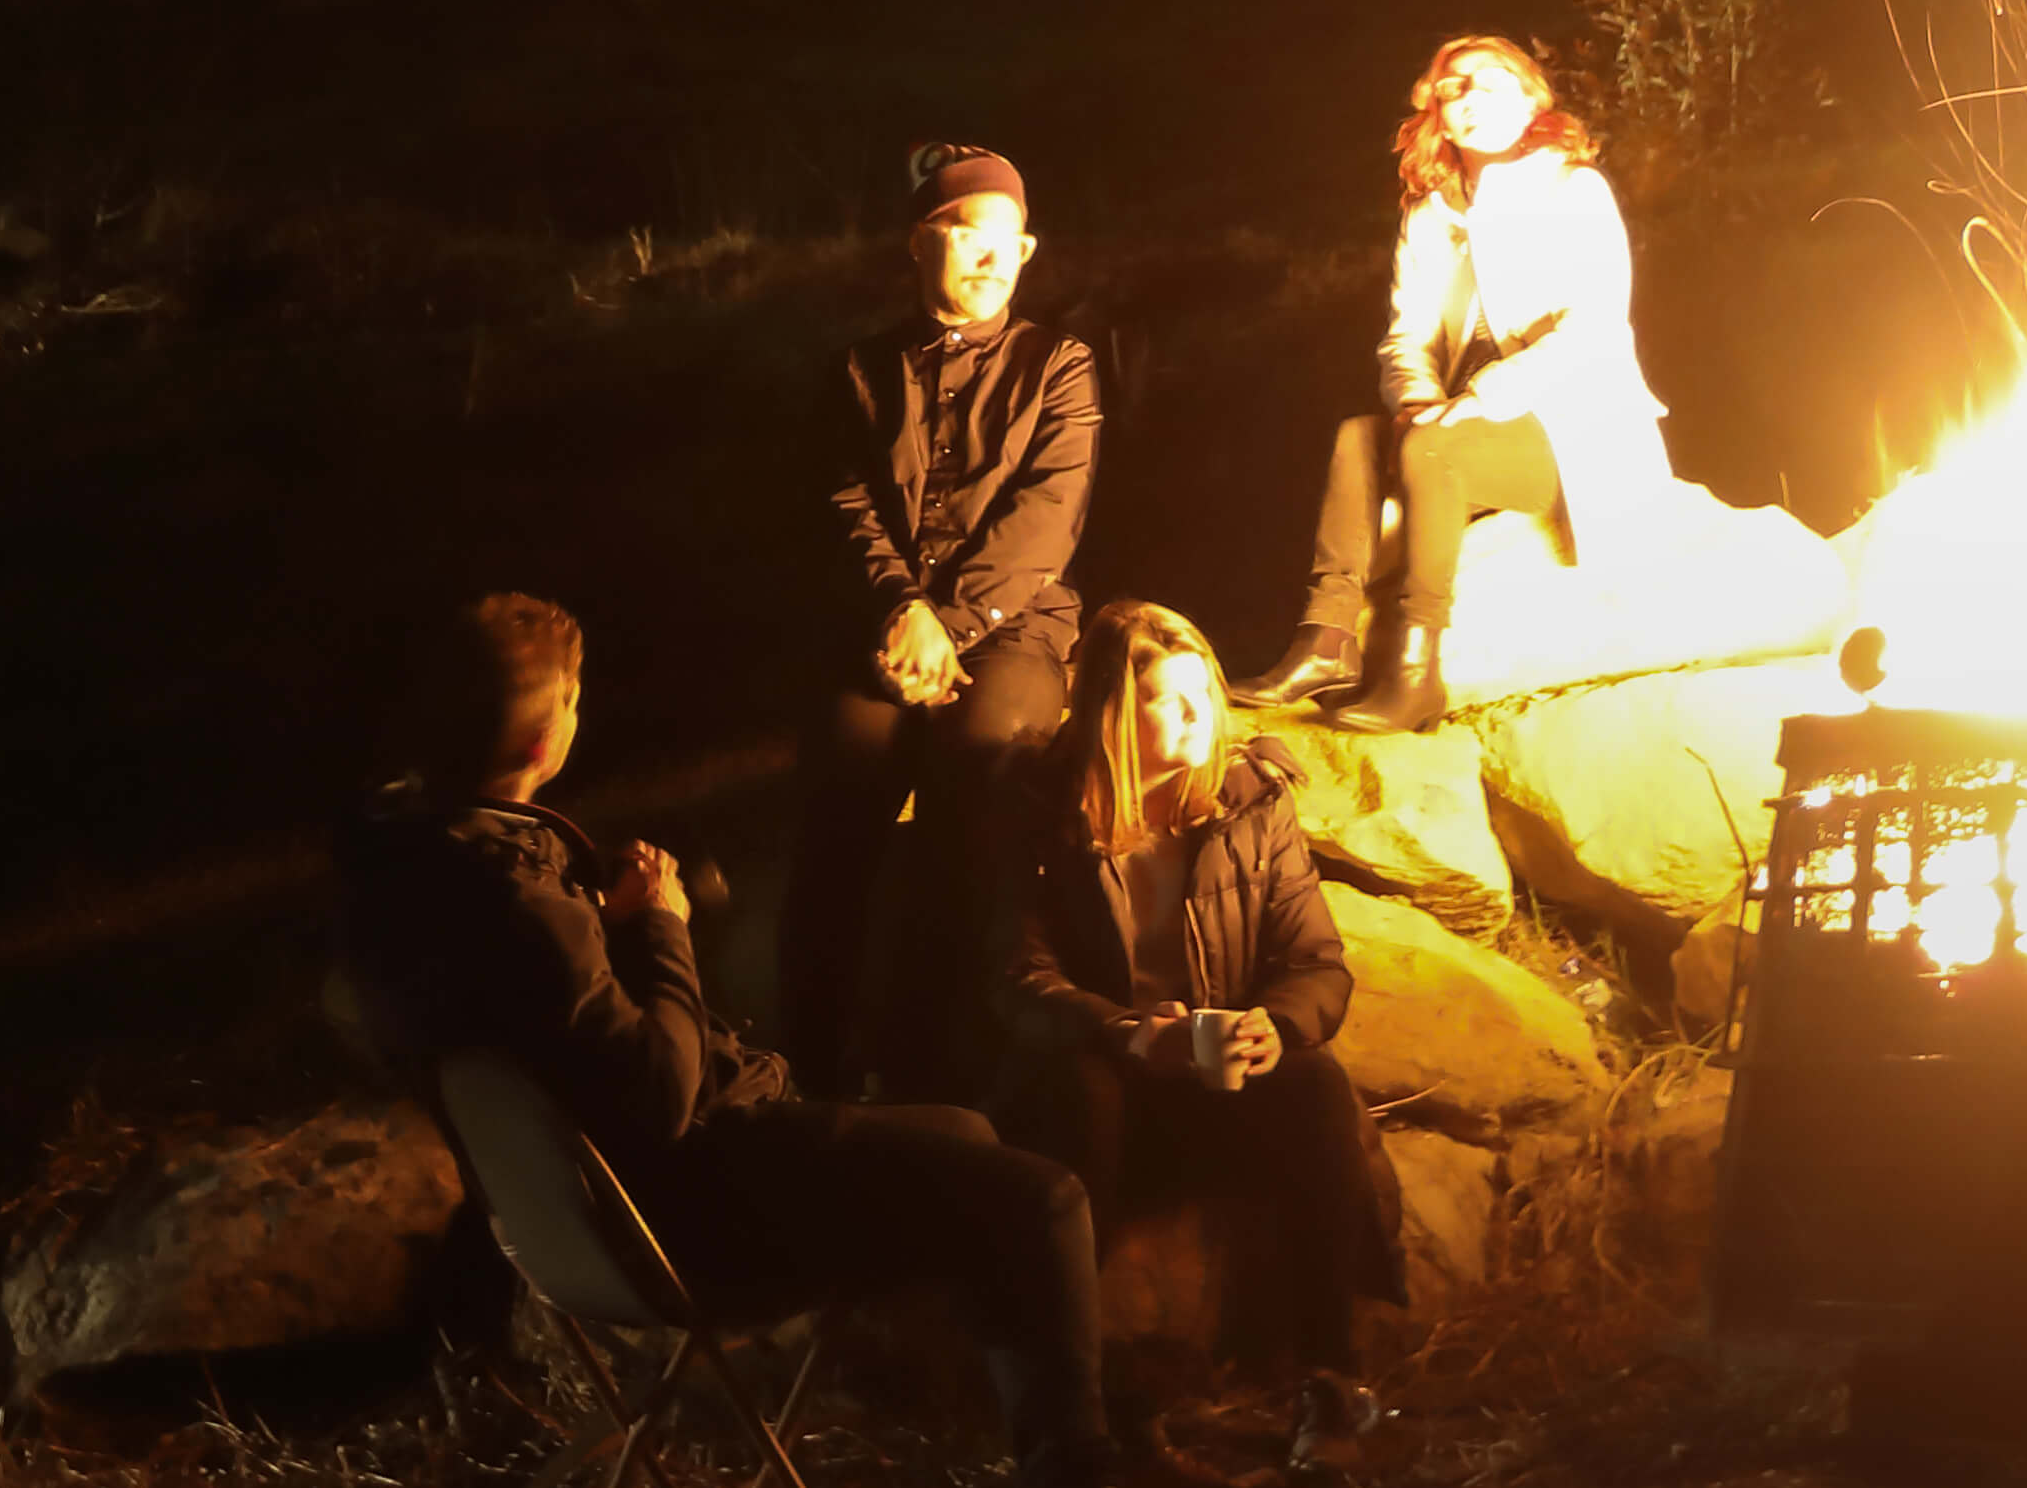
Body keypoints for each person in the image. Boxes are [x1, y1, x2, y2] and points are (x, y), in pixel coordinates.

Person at [336, 589, 1127, 1488]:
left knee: (966, 1139)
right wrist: (667, 928)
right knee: (1045, 1200)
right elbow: (661, 1097)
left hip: (586, 1220)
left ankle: (1006, 1423)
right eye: (572, 700)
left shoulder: (413, 866)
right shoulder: (522, 902)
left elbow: (536, 1010)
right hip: (688, 1215)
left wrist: (603, 920)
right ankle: (1079, 1467)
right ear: (539, 743)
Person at [998, 601, 1401, 1447]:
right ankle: (1070, 1404)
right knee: (1087, 1093)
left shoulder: (1250, 803)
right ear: (1115, 715)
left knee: (1317, 1086)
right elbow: (1019, 979)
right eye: (1170, 701)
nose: (1199, 717)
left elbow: (1317, 961)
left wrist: (1275, 1027)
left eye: (1203, 696)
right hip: (1113, 1086)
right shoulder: (1039, 813)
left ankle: (1328, 1379)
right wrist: (1133, 1033)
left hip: (1217, 1080)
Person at [790, 140, 1101, 1098]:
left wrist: (949, 621)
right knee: (844, 776)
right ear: (920, 244)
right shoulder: (860, 365)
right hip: (892, 622)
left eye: (1008, 240)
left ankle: (969, 1061)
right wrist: (899, 607)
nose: (990, 256)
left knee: (984, 771)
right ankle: (813, 1061)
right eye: (968, 235)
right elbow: (845, 503)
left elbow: (1046, 516)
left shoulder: (1060, 365)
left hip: (1011, 622)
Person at [1230, 36, 1658, 733]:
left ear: (1530, 101)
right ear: (1438, 115)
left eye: (1492, 82)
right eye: (1455, 87)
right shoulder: (1430, 215)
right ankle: (1327, 638)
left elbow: (1595, 326)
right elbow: (1406, 336)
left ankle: (1415, 670)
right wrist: (1420, 401)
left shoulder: (1574, 189)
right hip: (1461, 420)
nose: (1472, 96)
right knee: (1358, 436)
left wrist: (1479, 400)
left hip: (1571, 427)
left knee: (1435, 450)